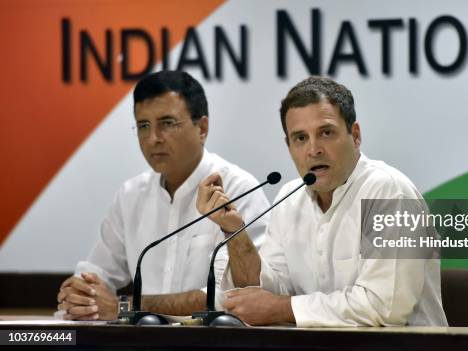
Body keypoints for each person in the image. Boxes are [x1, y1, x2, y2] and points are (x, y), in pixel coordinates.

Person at [197, 76, 447, 327]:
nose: (313, 149)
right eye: (300, 138)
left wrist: (280, 308)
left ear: (355, 135)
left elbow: (386, 307)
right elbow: (266, 290)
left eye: (326, 133)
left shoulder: (390, 193)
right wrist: (234, 231)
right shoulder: (289, 199)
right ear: (289, 146)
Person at [56, 70, 268, 321]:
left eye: (167, 123)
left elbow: (227, 298)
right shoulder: (131, 195)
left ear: (202, 128)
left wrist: (122, 306)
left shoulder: (238, 189)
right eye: (143, 126)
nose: (153, 139)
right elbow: (98, 270)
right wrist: (80, 293)